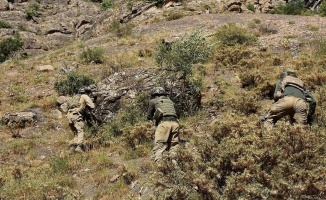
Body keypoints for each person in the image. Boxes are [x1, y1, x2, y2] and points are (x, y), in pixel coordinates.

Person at [147, 87, 179, 162]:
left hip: (164, 123)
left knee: (160, 146)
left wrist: (154, 121)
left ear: (155, 94)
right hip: (175, 123)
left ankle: (159, 167)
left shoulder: (153, 101)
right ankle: (175, 164)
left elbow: (149, 116)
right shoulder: (170, 101)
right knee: (174, 146)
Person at [66, 88, 95, 153]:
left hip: (69, 115)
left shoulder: (74, 97)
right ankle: (79, 147)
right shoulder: (84, 96)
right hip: (76, 115)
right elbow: (92, 106)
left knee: (76, 133)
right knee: (80, 131)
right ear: (86, 92)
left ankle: (72, 148)